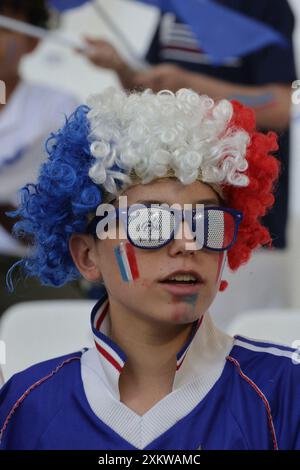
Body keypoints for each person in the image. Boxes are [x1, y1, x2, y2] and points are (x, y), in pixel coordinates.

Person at [0, 88, 299, 450]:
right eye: (150, 224)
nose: (188, 243)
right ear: (87, 256)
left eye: (209, 221)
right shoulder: (25, 407)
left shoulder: (286, 392)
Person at [0, 0, 85, 315]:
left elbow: (65, 215)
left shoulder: (57, 109)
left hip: (25, 266)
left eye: (4, 27)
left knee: (59, 329)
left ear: (33, 40)